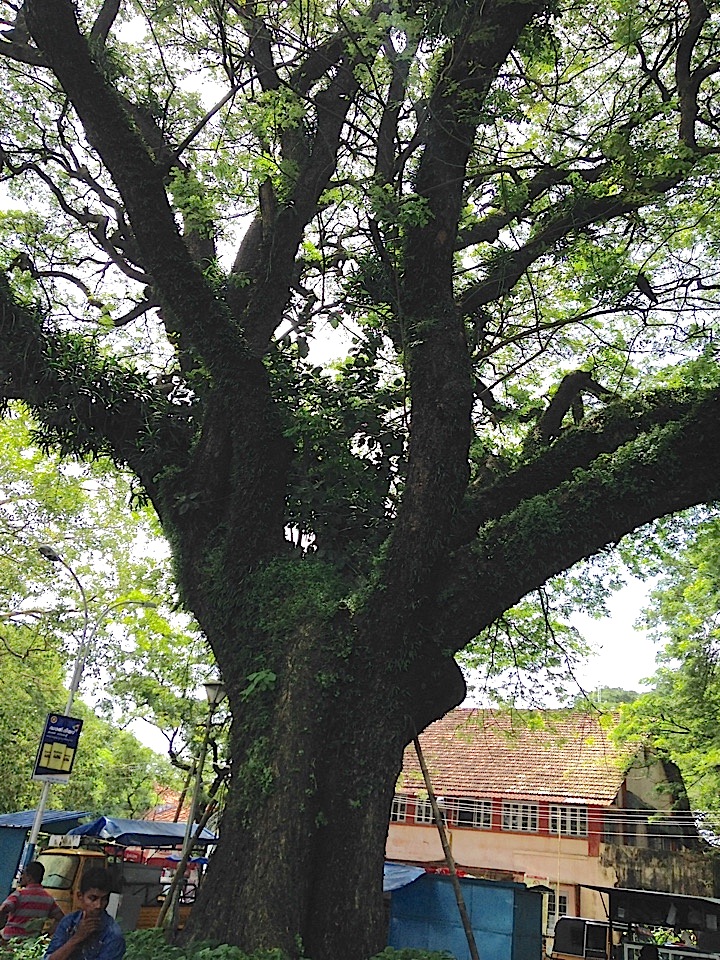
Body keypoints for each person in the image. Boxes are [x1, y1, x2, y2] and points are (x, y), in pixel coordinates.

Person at [44, 868, 124, 960]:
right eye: (93, 898)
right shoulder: (69, 922)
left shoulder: (112, 934)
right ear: (80, 896)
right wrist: (77, 938)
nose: (98, 905)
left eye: (104, 899)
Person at [0, 861, 64, 941]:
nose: (21, 877)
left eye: (23, 874)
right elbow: (61, 918)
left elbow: (4, 908)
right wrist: (47, 934)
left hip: (10, 939)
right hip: (31, 942)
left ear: (29, 877)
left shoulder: (18, 895)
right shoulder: (48, 899)